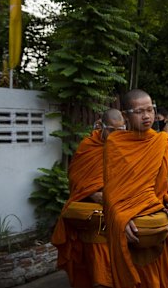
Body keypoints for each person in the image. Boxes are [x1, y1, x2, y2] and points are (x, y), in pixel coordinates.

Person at [103, 89, 168, 288]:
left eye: (150, 110)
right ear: (126, 115)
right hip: (132, 225)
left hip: (160, 220)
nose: (146, 116)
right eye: (139, 112)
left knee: (165, 278)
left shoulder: (162, 142)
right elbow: (112, 188)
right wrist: (121, 217)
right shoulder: (115, 144)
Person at [52, 108, 125, 288]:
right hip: (93, 212)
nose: (116, 135)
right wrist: (92, 193)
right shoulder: (88, 146)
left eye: (121, 130)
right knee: (96, 256)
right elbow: (76, 177)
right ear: (102, 126)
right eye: (112, 130)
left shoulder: (125, 146)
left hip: (118, 209)